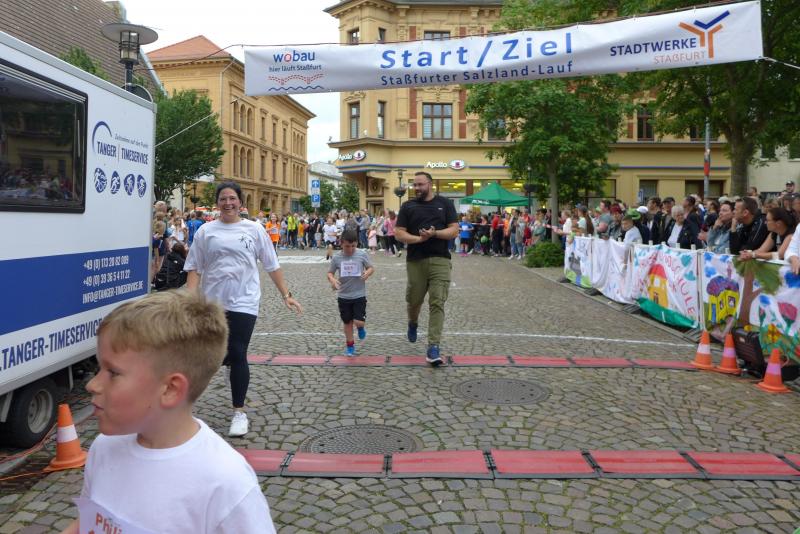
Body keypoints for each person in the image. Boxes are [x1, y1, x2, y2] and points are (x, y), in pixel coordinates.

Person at [61, 290, 275, 534]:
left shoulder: (226, 482)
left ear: (171, 389)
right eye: (99, 368)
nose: (92, 385)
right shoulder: (103, 448)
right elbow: (90, 521)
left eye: (113, 373)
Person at [184, 181, 302, 437]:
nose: (228, 203)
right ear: (217, 203)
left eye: (232, 199)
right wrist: (189, 300)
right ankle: (194, 401)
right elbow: (194, 267)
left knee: (238, 352)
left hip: (244, 300)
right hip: (213, 302)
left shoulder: (254, 229)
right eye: (223, 199)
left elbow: (271, 264)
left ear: (240, 202)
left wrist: (286, 295)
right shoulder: (206, 231)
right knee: (210, 356)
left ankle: (239, 412)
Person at [394, 171, 459, 366]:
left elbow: (454, 230)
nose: (417, 188)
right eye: (415, 185)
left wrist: (434, 234)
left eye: (420, 184)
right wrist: (419, 239)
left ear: (430, 184)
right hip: (416, 260)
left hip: (440, 259)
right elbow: (398, 233)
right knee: (414, 301)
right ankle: (413, 322)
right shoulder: (408, 206)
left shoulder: (445, 204)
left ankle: (433, 347)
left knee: (437, 302)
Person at [327, 230, 374, 356]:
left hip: (359, 294)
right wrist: (333, 280)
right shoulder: (337, 258)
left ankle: (360, 327)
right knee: (347, 323)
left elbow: (371, 267)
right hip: (343, 296)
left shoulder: (361, 254)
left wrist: (367, 273)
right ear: (341, 243)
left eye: (353, 246)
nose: (350, 249)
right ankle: (350, 346)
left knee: (359, 322)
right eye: (347, 246)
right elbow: (330, 273)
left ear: (357, 243)